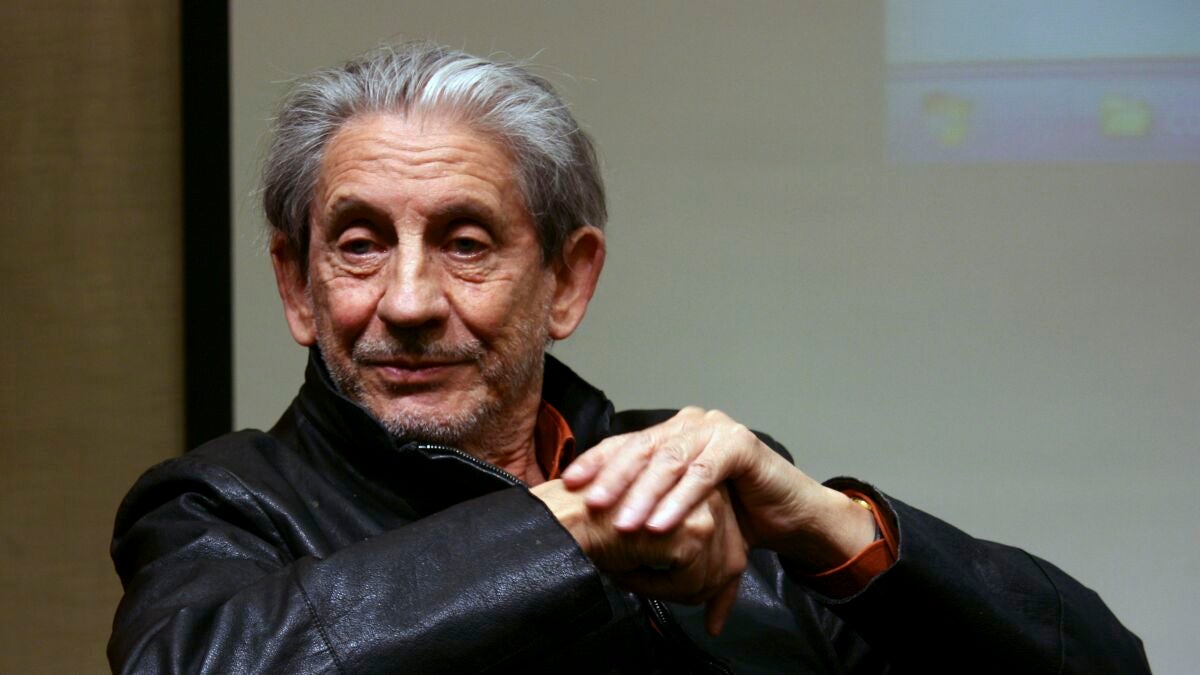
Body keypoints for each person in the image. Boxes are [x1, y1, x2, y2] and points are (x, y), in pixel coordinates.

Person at [109, 42, 1149, 674]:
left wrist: (834, 527)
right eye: (359, 244)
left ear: (567, 281)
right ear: (298, 286)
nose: (410, 301)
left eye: (465, 243)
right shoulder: (221, 505)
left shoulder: (701, 483)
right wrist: (578, 525)